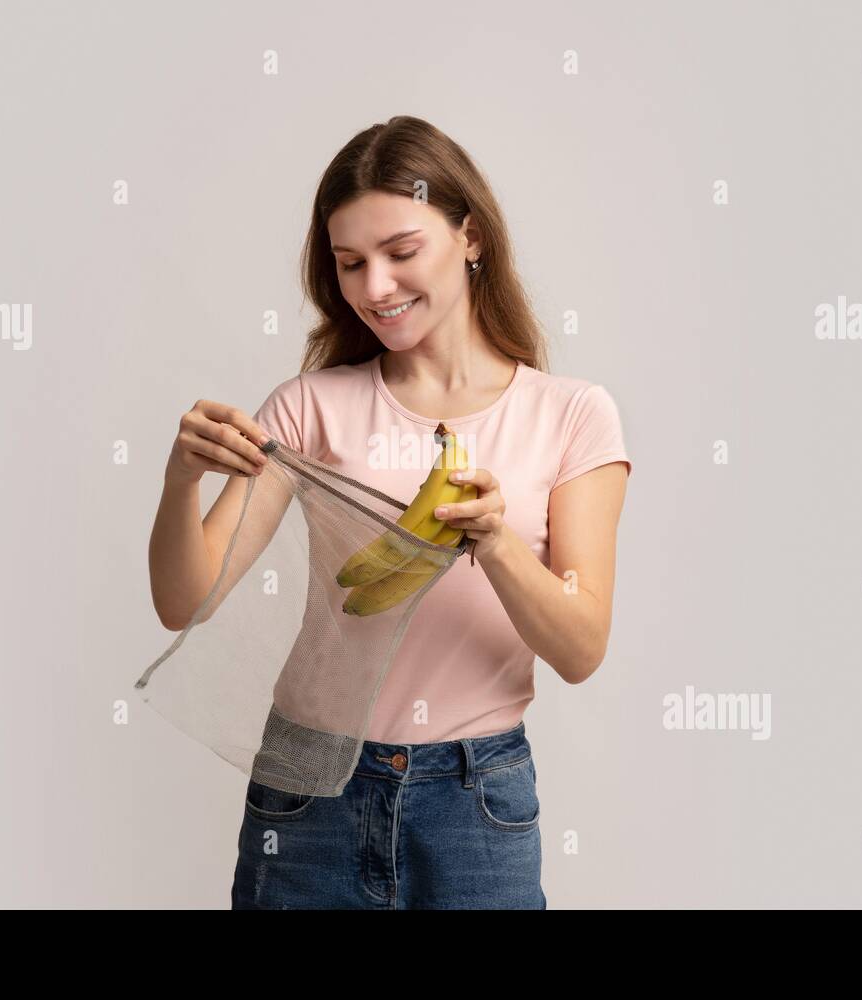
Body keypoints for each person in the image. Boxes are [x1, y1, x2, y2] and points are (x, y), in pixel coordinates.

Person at [148, 115, 630, 909]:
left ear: (470, 237)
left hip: (475, 804)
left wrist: (496, 545)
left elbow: (581, 648)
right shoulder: (309, 408)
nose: (375, 287)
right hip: (308, 790)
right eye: (350, 264)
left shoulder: (572, 416)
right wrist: (179, 482)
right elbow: (183, 603)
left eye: (402, 253)